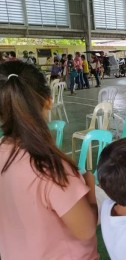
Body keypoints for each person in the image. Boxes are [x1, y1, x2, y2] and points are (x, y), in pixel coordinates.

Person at [0, 60, 98, 259]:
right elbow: (86, 228)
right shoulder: (48, 166)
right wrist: (92, 194)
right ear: (48, 101)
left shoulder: (4, 152)